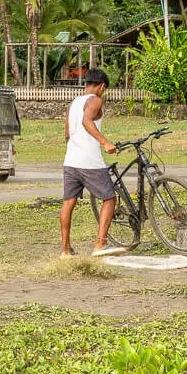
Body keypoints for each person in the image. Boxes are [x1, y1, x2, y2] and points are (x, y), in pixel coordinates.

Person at [59, 68, 122, 258]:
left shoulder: (73, 104)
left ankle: (65, 250)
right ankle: (100, 244)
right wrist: (105, 143)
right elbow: (87, 121)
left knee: (68, 203)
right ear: (102, 86)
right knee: (109, 198)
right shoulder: (95, 100)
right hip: (90, 161)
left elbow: (67, 134)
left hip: (71, 161)